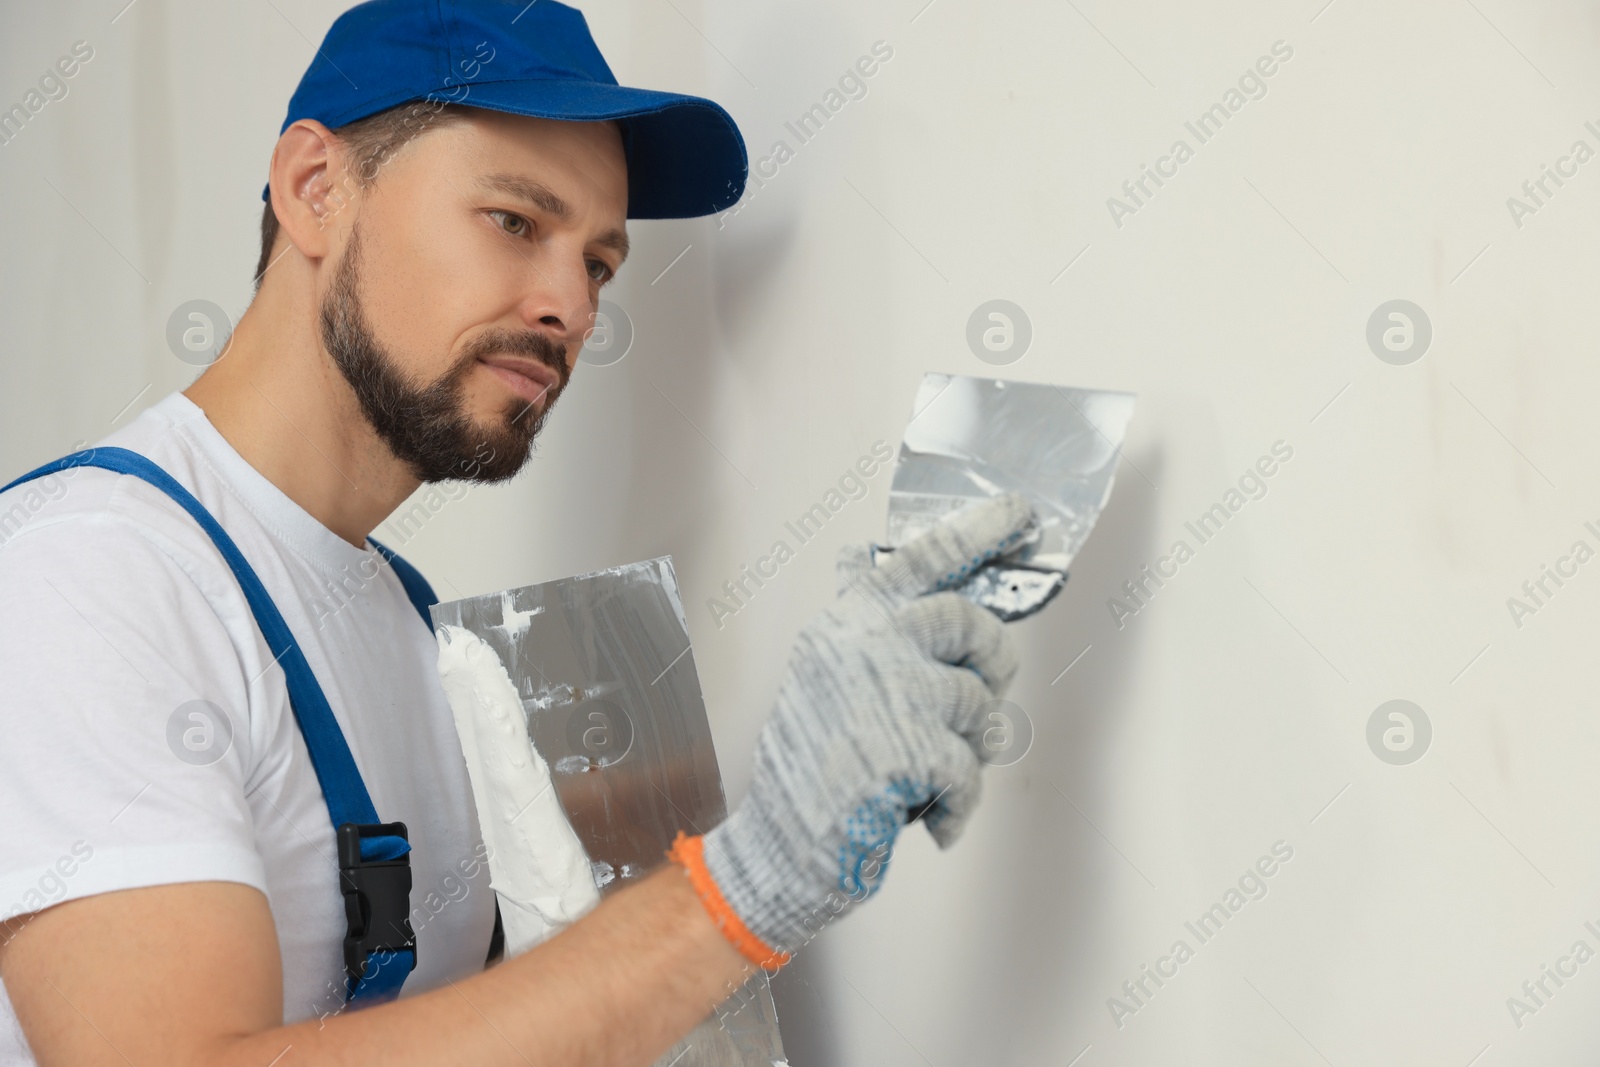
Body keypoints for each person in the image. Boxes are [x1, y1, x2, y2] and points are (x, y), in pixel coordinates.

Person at [0, 1, 1034, 1063]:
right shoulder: (87, 573)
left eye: (597, 263)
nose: (569, 307)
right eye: (513, 220)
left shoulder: (412, 621)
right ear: (315, 191)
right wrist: (741, 886)